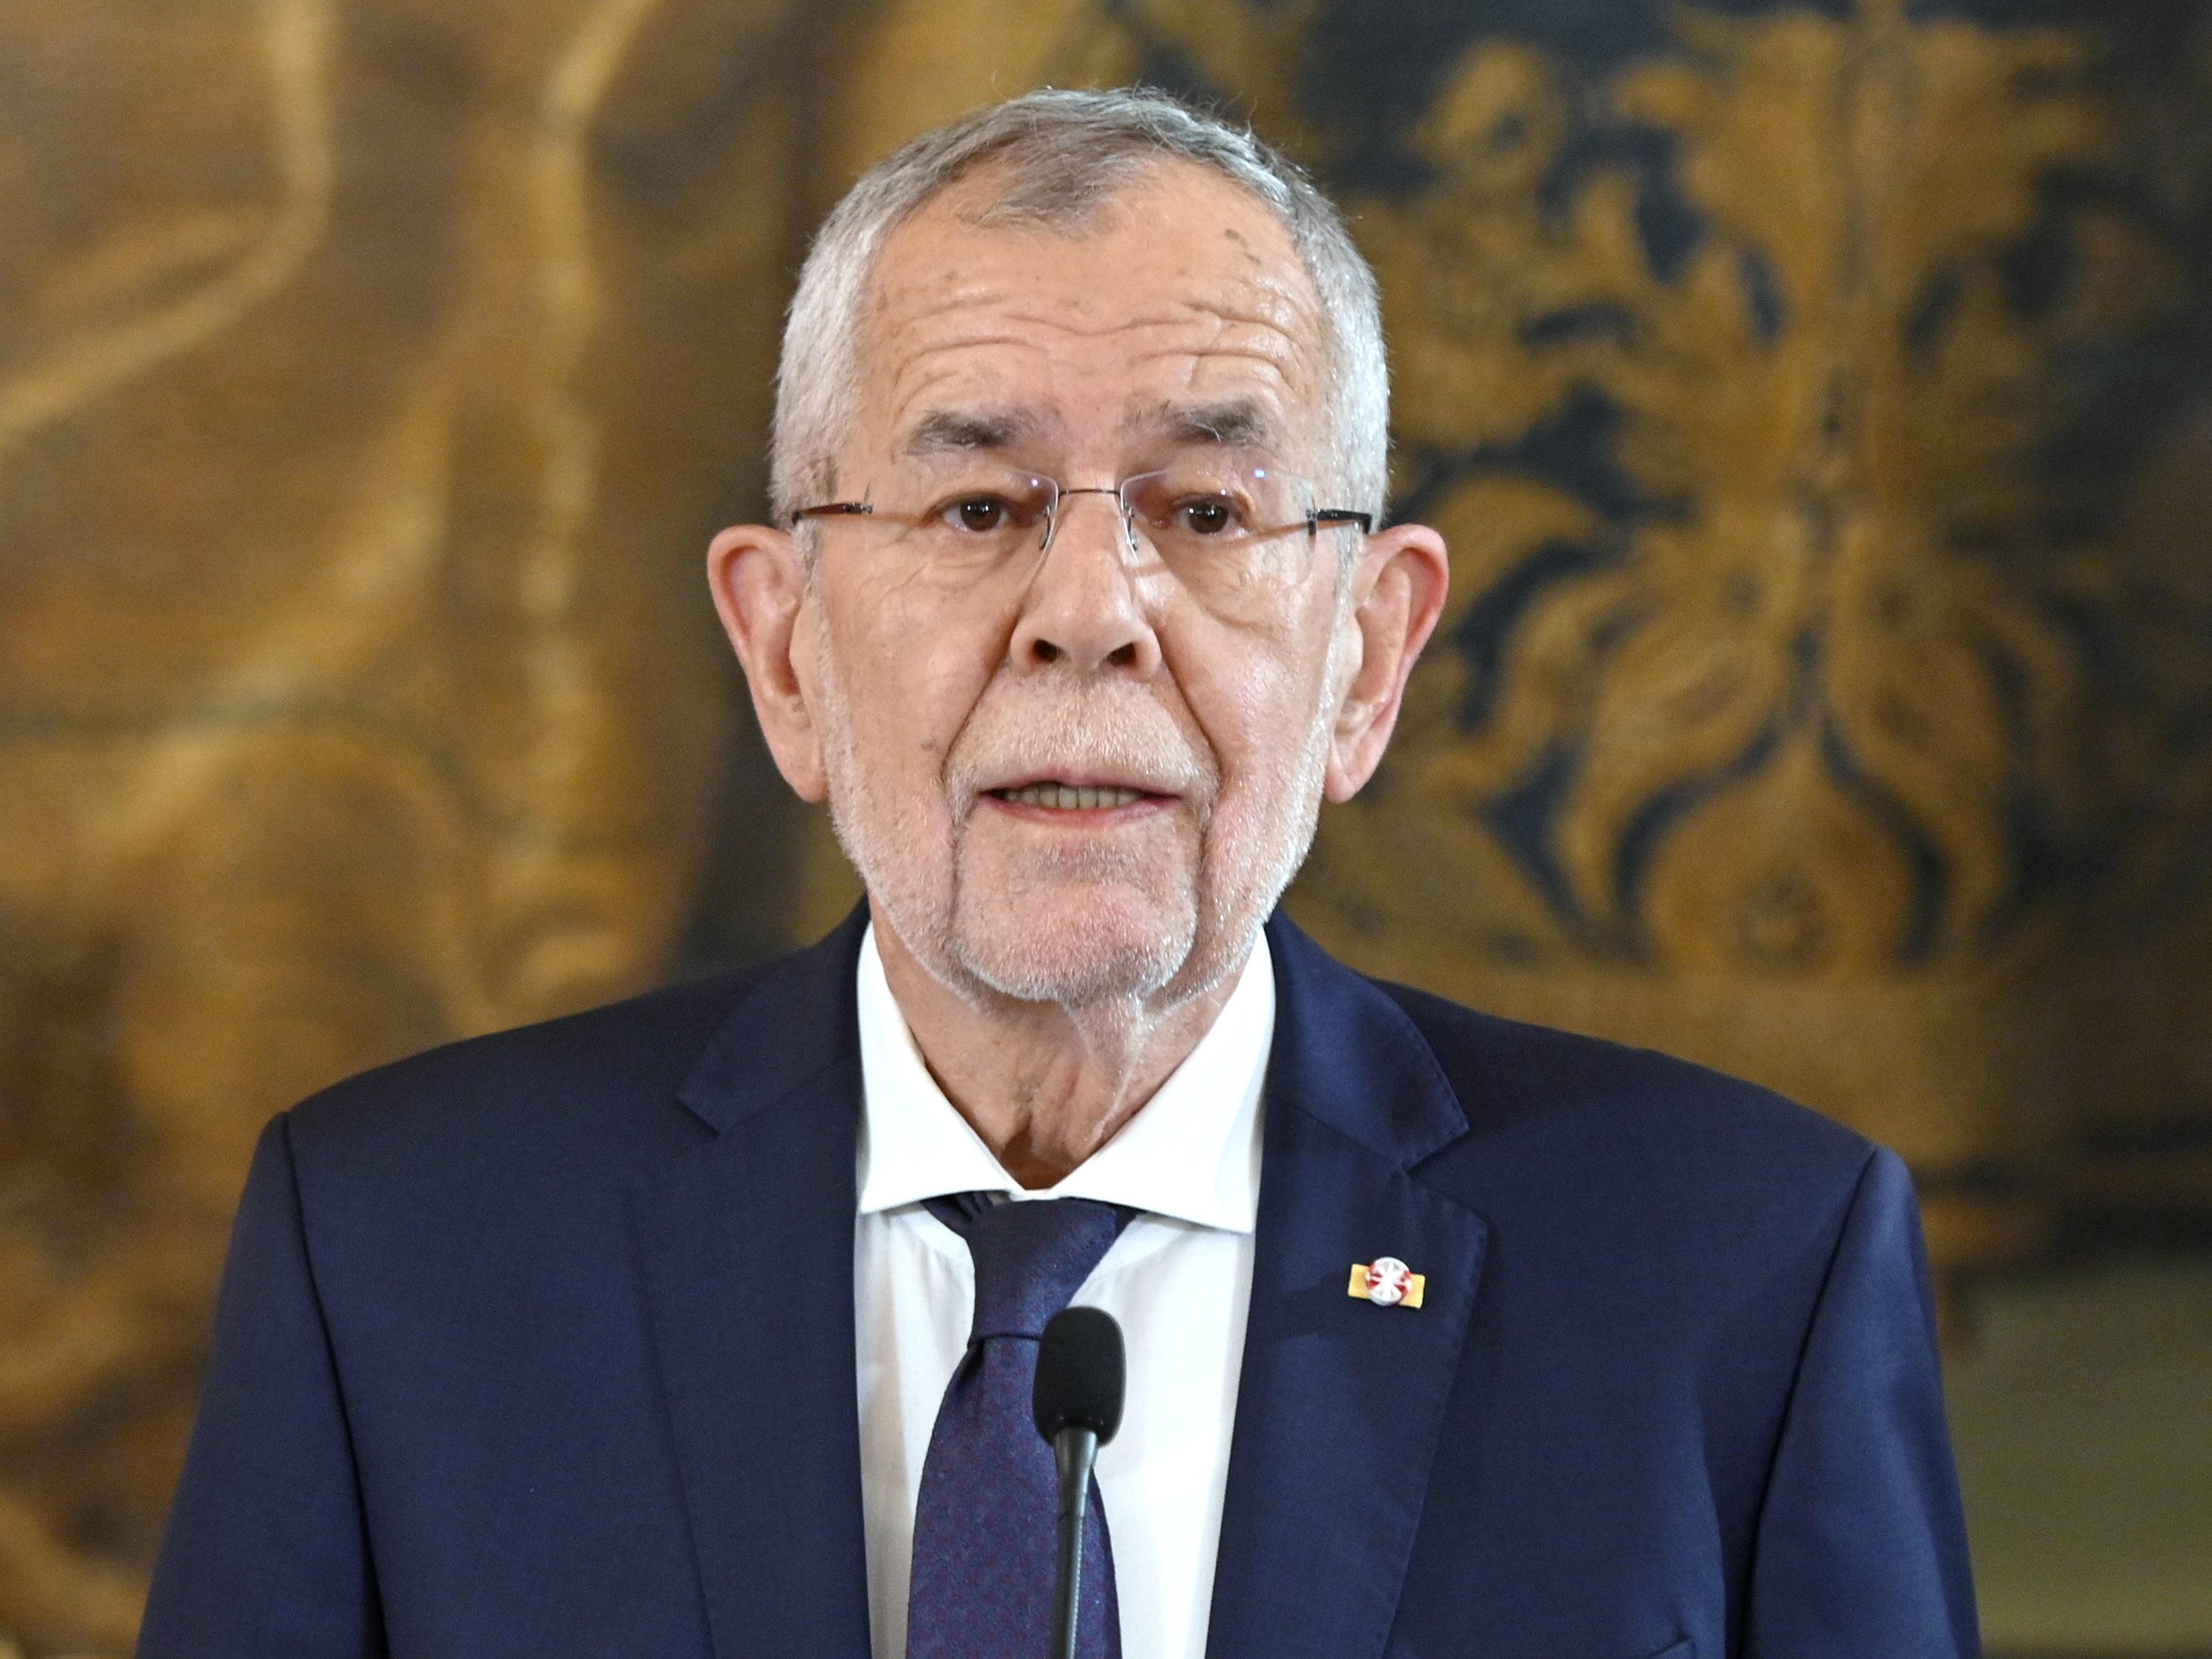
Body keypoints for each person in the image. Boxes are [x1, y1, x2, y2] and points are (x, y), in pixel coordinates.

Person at [138, 88, 1978, 1659]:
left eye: (1207, 511)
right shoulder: (395, 1254)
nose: (1089, 617)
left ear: (1368, 657)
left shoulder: (1745, 1270)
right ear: (785, 653)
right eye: (977, 509)